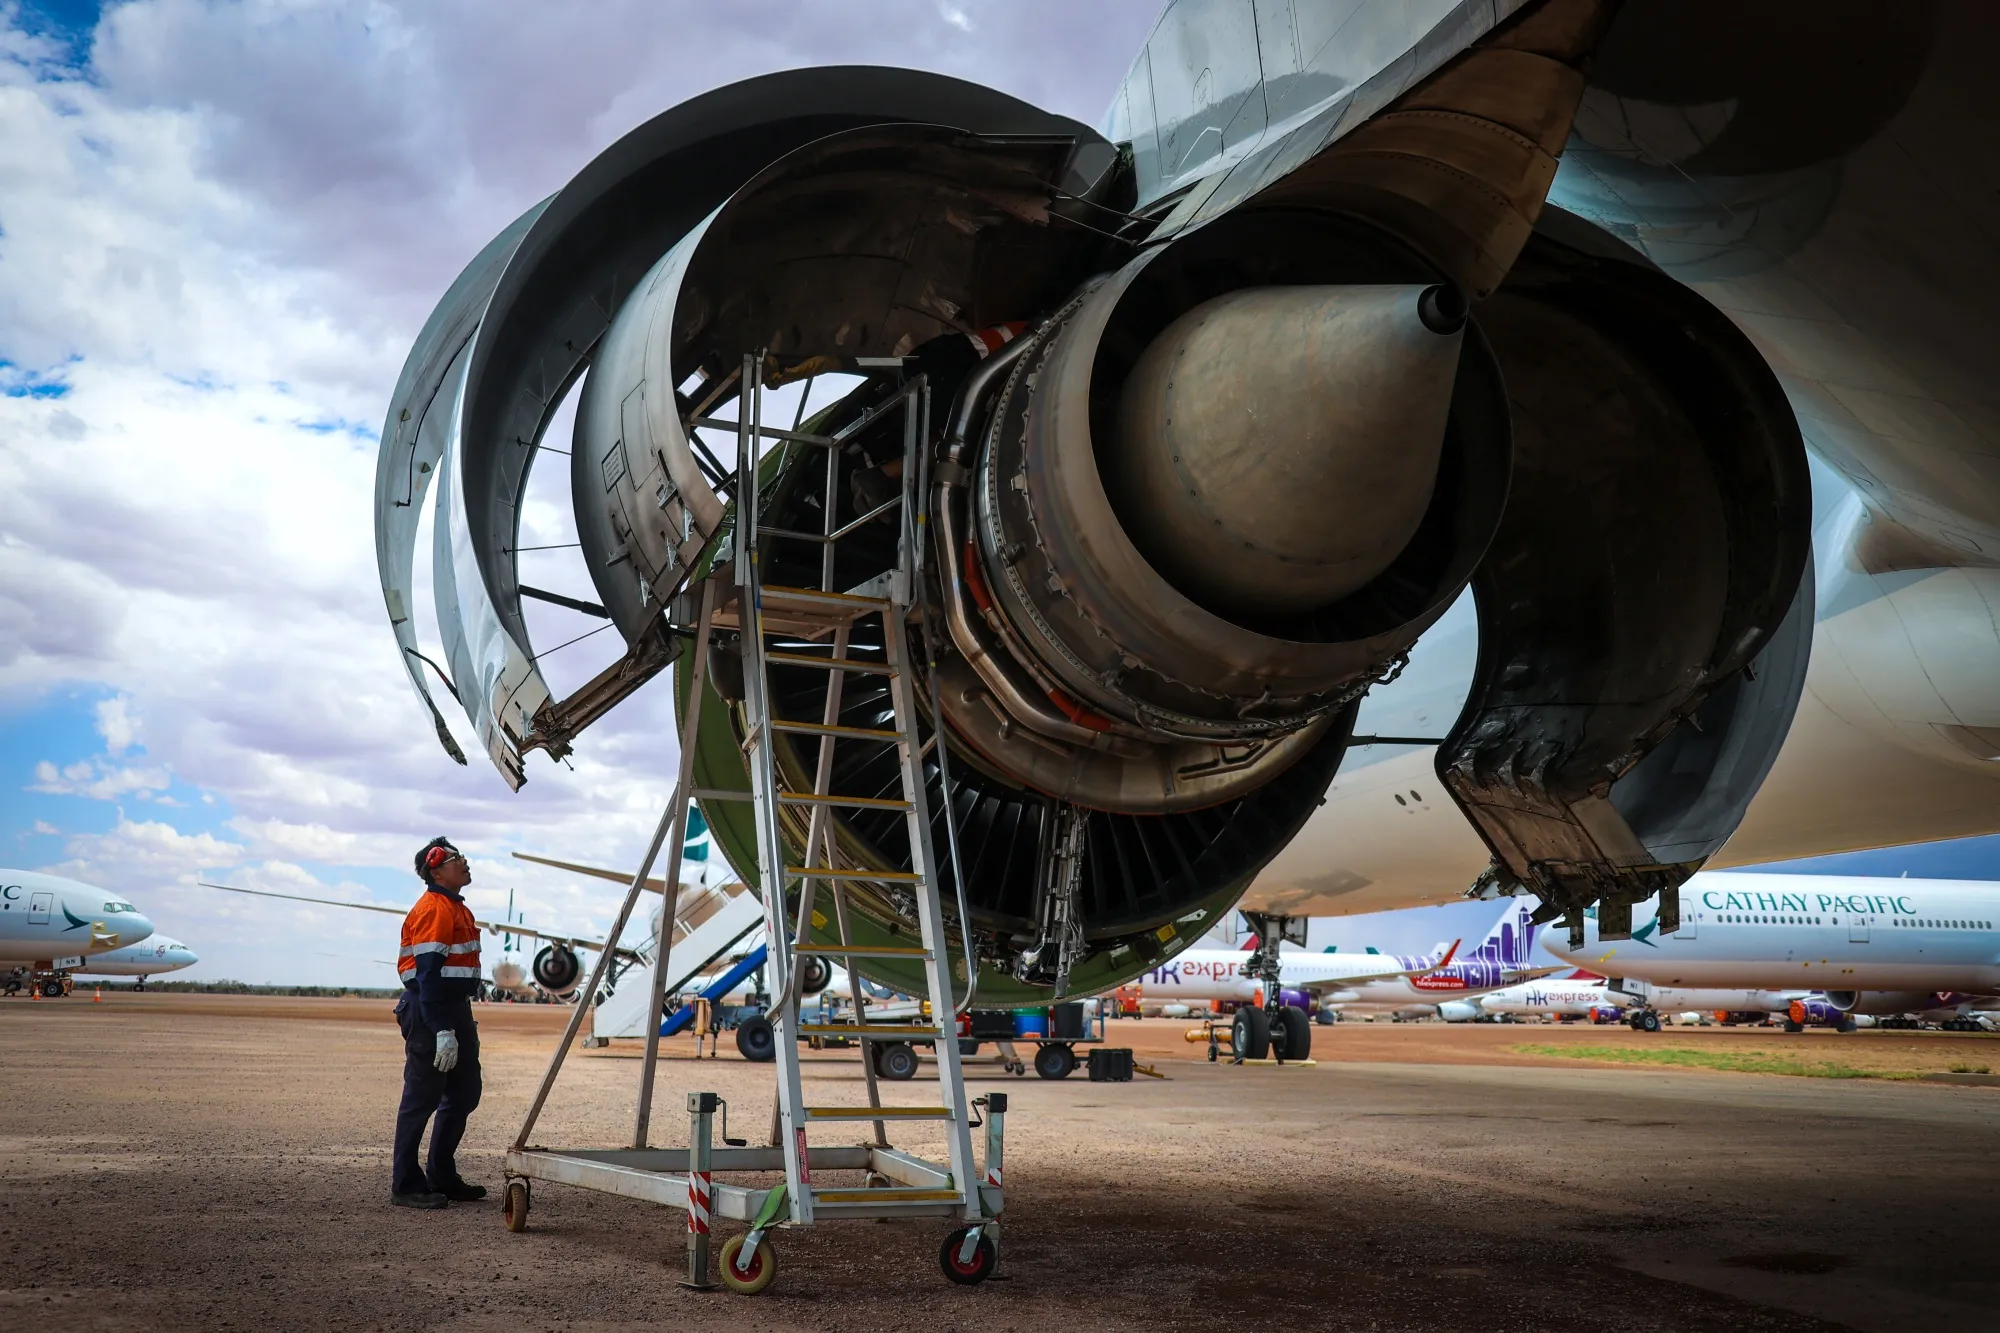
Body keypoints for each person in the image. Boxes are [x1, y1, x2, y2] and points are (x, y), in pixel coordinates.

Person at [391, 837, 486, 1208]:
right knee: (421, 1097)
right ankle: (406, 1184)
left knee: (464, 1092)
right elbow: (427, 975)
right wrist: (442, 1028)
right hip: (431, 1007)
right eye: (455, 858)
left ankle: (441, 1175)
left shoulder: (456, 908)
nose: (465, 862)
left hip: (455, 1008)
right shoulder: (434, 909)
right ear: (436, 870)